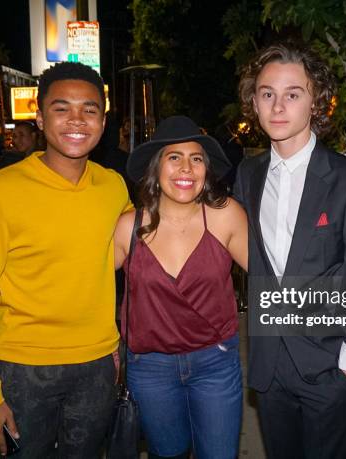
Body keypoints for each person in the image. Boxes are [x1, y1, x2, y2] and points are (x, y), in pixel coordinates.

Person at [0, 62, 130, 458]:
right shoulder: (2, 191)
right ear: (38, 117)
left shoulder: (113, 186)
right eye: (61, 107)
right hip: (23, 369)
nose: (77, 119)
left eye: (89, 109)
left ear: (102, 121)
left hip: (97, 365)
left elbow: (142, 244)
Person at [234, 43, 346, 458]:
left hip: (328, 362)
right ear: (254, 101)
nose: (278, 106)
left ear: (316, 102)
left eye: (293, 94)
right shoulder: (246, 175)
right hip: (268, 363)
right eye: (267, 93)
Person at [113, 115, 248, 459]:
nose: (187, 168)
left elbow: (270, 275)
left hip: (214, 363)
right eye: (175, 157)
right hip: (149, 368)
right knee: (167, 453)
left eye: (197, 158)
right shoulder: (129, 225)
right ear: (157, 169)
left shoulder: (225, 215)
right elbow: (88, 287)